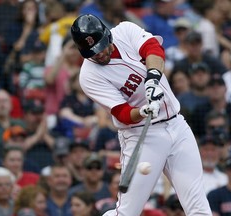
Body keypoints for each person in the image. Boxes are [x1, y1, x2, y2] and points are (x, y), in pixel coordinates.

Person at [71, 14, 212, 216]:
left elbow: (153, 48)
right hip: (142, 135)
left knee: (198, 207)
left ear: (107, 34)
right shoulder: (89, 76)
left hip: (177, 125)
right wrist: (143, 111)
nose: (99, 54)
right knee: (127, 213)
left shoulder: (125, 30)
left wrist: (152, 80)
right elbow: (122, 113)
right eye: (91, 52)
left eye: (101, 46)